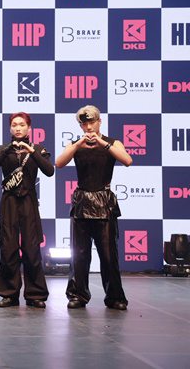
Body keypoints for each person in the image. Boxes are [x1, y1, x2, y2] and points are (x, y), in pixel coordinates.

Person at [55, 105, 132, 311]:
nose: (88, 127)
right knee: (79, 254)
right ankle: (78, 295)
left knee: (108, 254)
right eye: (84, 124)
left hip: (104, 202)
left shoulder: (112, 143)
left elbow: (127, 160)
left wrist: (101, 142)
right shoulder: (76, 144)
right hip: (82, 201)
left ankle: (115, 296)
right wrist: (78, 144)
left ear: (99, 122)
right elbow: (59, 163)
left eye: (92, 122)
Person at [0, 112, 53, 309]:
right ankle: (9, 294)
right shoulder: (2, 149)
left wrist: (32, 151)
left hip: (29, 201)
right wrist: (6, 150)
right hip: (9, 202)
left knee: (32, 249)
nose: (18, 128)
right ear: (10, 128)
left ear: (29, 128)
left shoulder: (38, 149)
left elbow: (49, 171)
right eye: (14, 125)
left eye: (22, 124)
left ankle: (35, 294)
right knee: (8, 248)